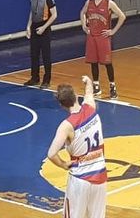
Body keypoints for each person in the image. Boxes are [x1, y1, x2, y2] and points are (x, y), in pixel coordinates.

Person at [48, 76, 107, 218]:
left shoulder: (67, 126)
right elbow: (89, 93)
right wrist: (88, 82)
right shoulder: (90, 108)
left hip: (80, 179)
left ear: (62, 105)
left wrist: (63, 164)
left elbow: (51, 154)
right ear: (76, 95)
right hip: (100, 175)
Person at [80, 0, 126, 99]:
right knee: (93, 61)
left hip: (103, 37)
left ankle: (112, 86)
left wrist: (113, 31)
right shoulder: (89, 2)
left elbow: (122, 16)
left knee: (107, 62)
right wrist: (84, 25)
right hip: (92, 36)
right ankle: (96, 86)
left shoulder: (109, 3)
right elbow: (82, 12)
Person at [25, 0, 58, 89]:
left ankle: (46, 80)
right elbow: (32, 12)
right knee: (34, 55)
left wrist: (44, 27)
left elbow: (54, 15)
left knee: (46, 56)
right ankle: (35, 78)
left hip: (44, 28)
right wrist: (28, 27)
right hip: (34, 27)